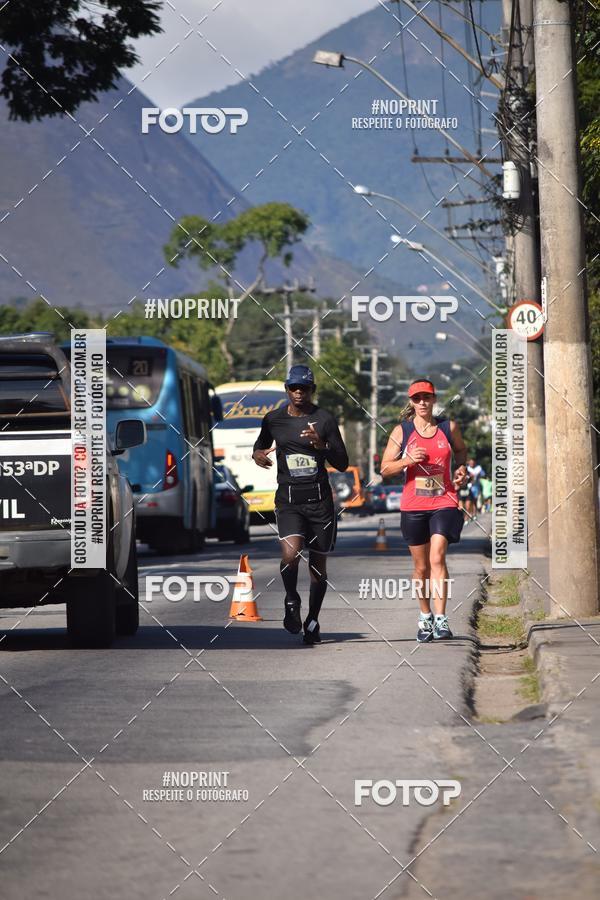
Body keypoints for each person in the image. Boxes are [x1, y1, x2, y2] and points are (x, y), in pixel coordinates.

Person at [252, 364, 349, 644]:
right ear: (286, 389)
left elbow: (342, 463)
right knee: (290, 555)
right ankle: (291, 599)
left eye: (303, 388)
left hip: (320, 503)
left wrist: (321, 445)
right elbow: (259, 447)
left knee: (318, 568)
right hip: (289, 501)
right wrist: (258, 456)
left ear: (312, 390)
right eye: (293, 387)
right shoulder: (273, 420)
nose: (298, 392)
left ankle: (313, 620)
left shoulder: (325, 420)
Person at [380, 378, 467, 642]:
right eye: (416, 399)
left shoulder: (448, 428)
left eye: (426, 398)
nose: (422, 403)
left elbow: (462, 452)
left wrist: (461, 470)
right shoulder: (402, 432)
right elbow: (384, 469)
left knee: (437, 558)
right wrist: (408, 459)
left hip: (444, 501)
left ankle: (441, 620)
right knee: (420, 568)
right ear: (411, 402)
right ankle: (425, 616)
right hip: (414, 506)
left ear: (434, 399)